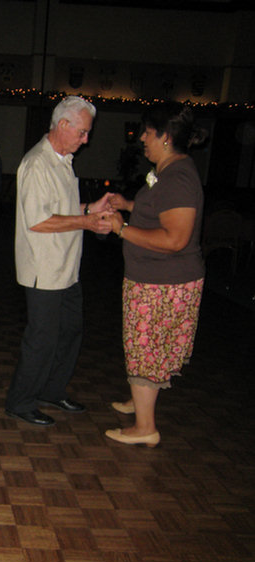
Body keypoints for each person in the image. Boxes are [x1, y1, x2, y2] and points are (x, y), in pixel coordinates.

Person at [5, 96, 113, 426]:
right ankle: (20, 401)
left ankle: (51, 390)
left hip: (67, 267)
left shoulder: (62, 161)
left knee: (70, 332)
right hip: (44, 269)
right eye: (82, 132)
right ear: (63, 125)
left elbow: (61, 210)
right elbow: (38, 221)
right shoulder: (37, 163)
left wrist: (88, 210)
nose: (86, 139)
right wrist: (87, 223)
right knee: (42, 339)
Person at [105, 103, 207, 447]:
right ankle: (140, 400)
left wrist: (122, 229)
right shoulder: (169, 171)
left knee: (145, 348)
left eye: (147, 133)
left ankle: (144, 426)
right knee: (149, 346)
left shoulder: (177, 177)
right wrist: (129, 205)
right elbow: (161, 209)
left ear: (164, 137)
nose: (142, 139)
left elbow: (175, 239)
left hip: (162, 282)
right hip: (158, 279)